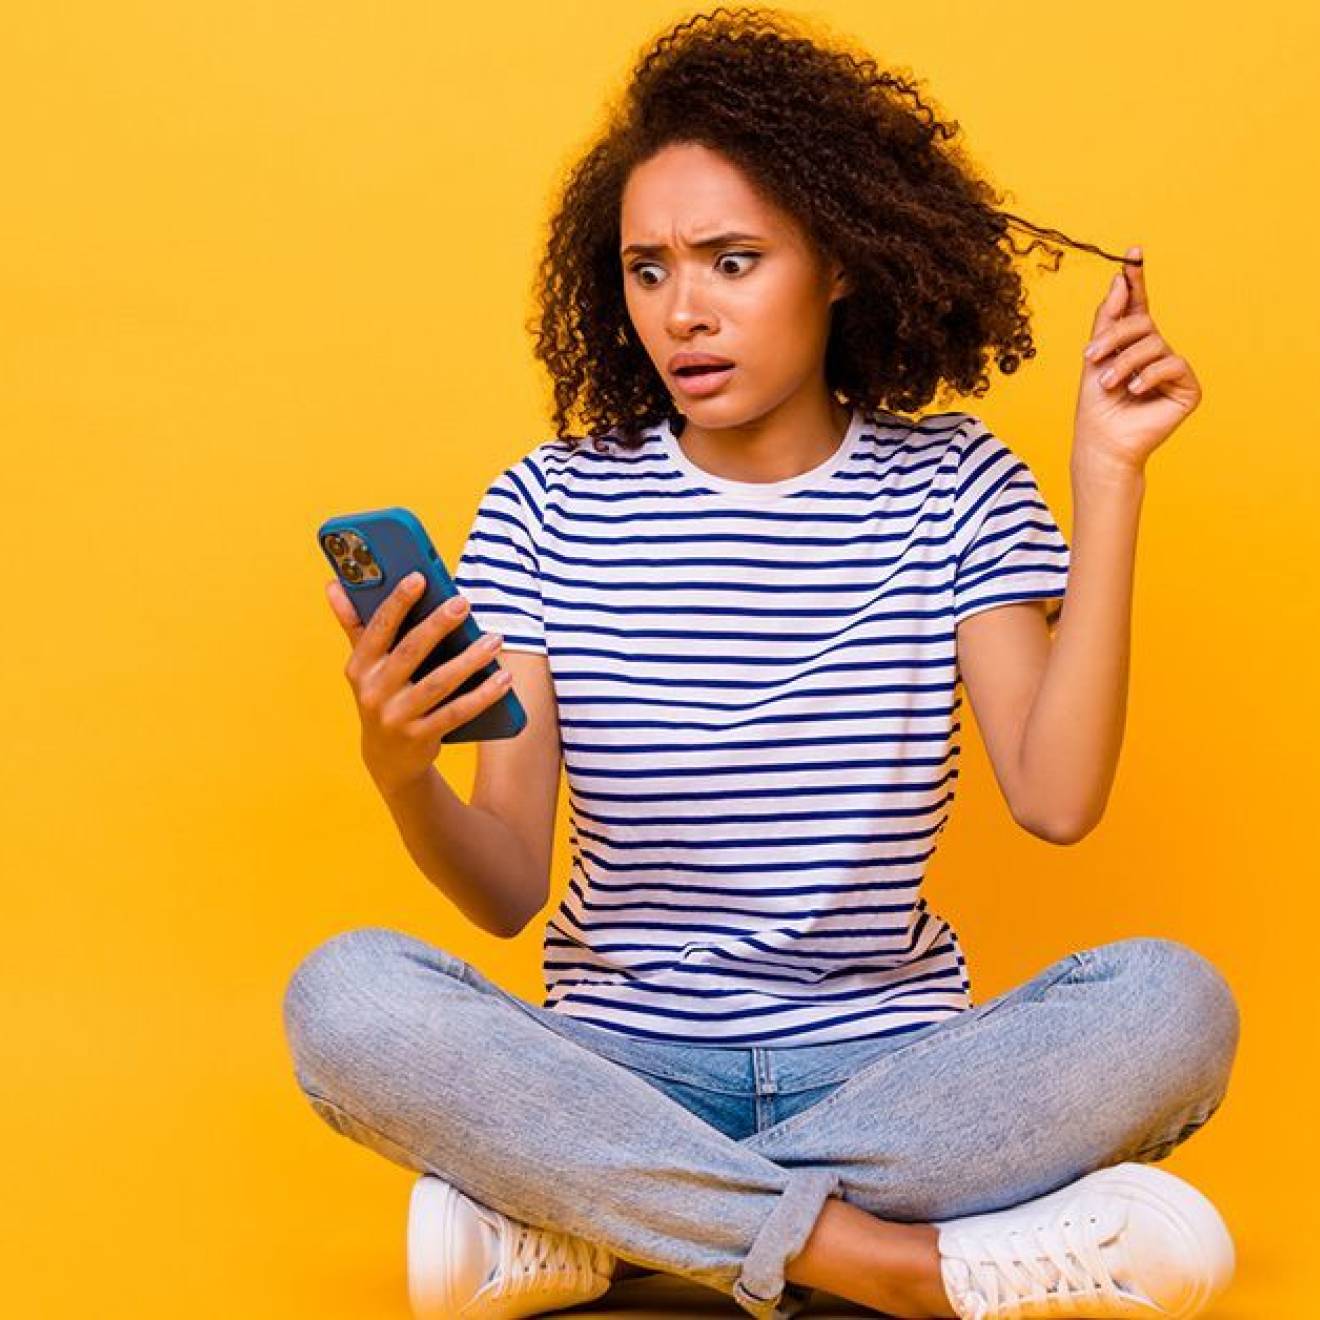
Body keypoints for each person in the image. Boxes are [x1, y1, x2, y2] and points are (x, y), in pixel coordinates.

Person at [281, 8, 1240, 1318]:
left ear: (837, 261)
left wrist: (1109, 478)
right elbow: (506, 889)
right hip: (618, 1066)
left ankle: (606, 1228)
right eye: (648, 269)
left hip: (896, 1074)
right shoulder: (549, 506)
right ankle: (882, 1260)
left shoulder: (956, 489)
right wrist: (398, 775)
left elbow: (1058, 802)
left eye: (733, 261)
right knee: (346, 1000)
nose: (685, 313)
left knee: (1172, 1007)